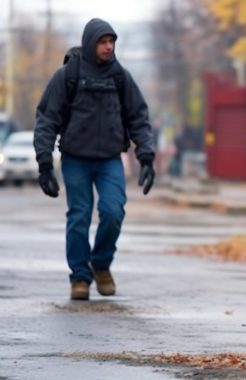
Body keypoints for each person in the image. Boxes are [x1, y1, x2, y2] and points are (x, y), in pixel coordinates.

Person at [34, 18, 155, 301]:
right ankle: (79, 276)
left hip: (110, 160)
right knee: (79, 217)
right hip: (75, 159)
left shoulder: (119, 76)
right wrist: (44, 163)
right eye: (103, 41)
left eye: (112, 41)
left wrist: (146, 156)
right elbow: (47, 118)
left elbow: (138, 115)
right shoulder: (67, 75)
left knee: (113, 212)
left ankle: (100, 265)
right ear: (91, 43)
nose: (109, 46)